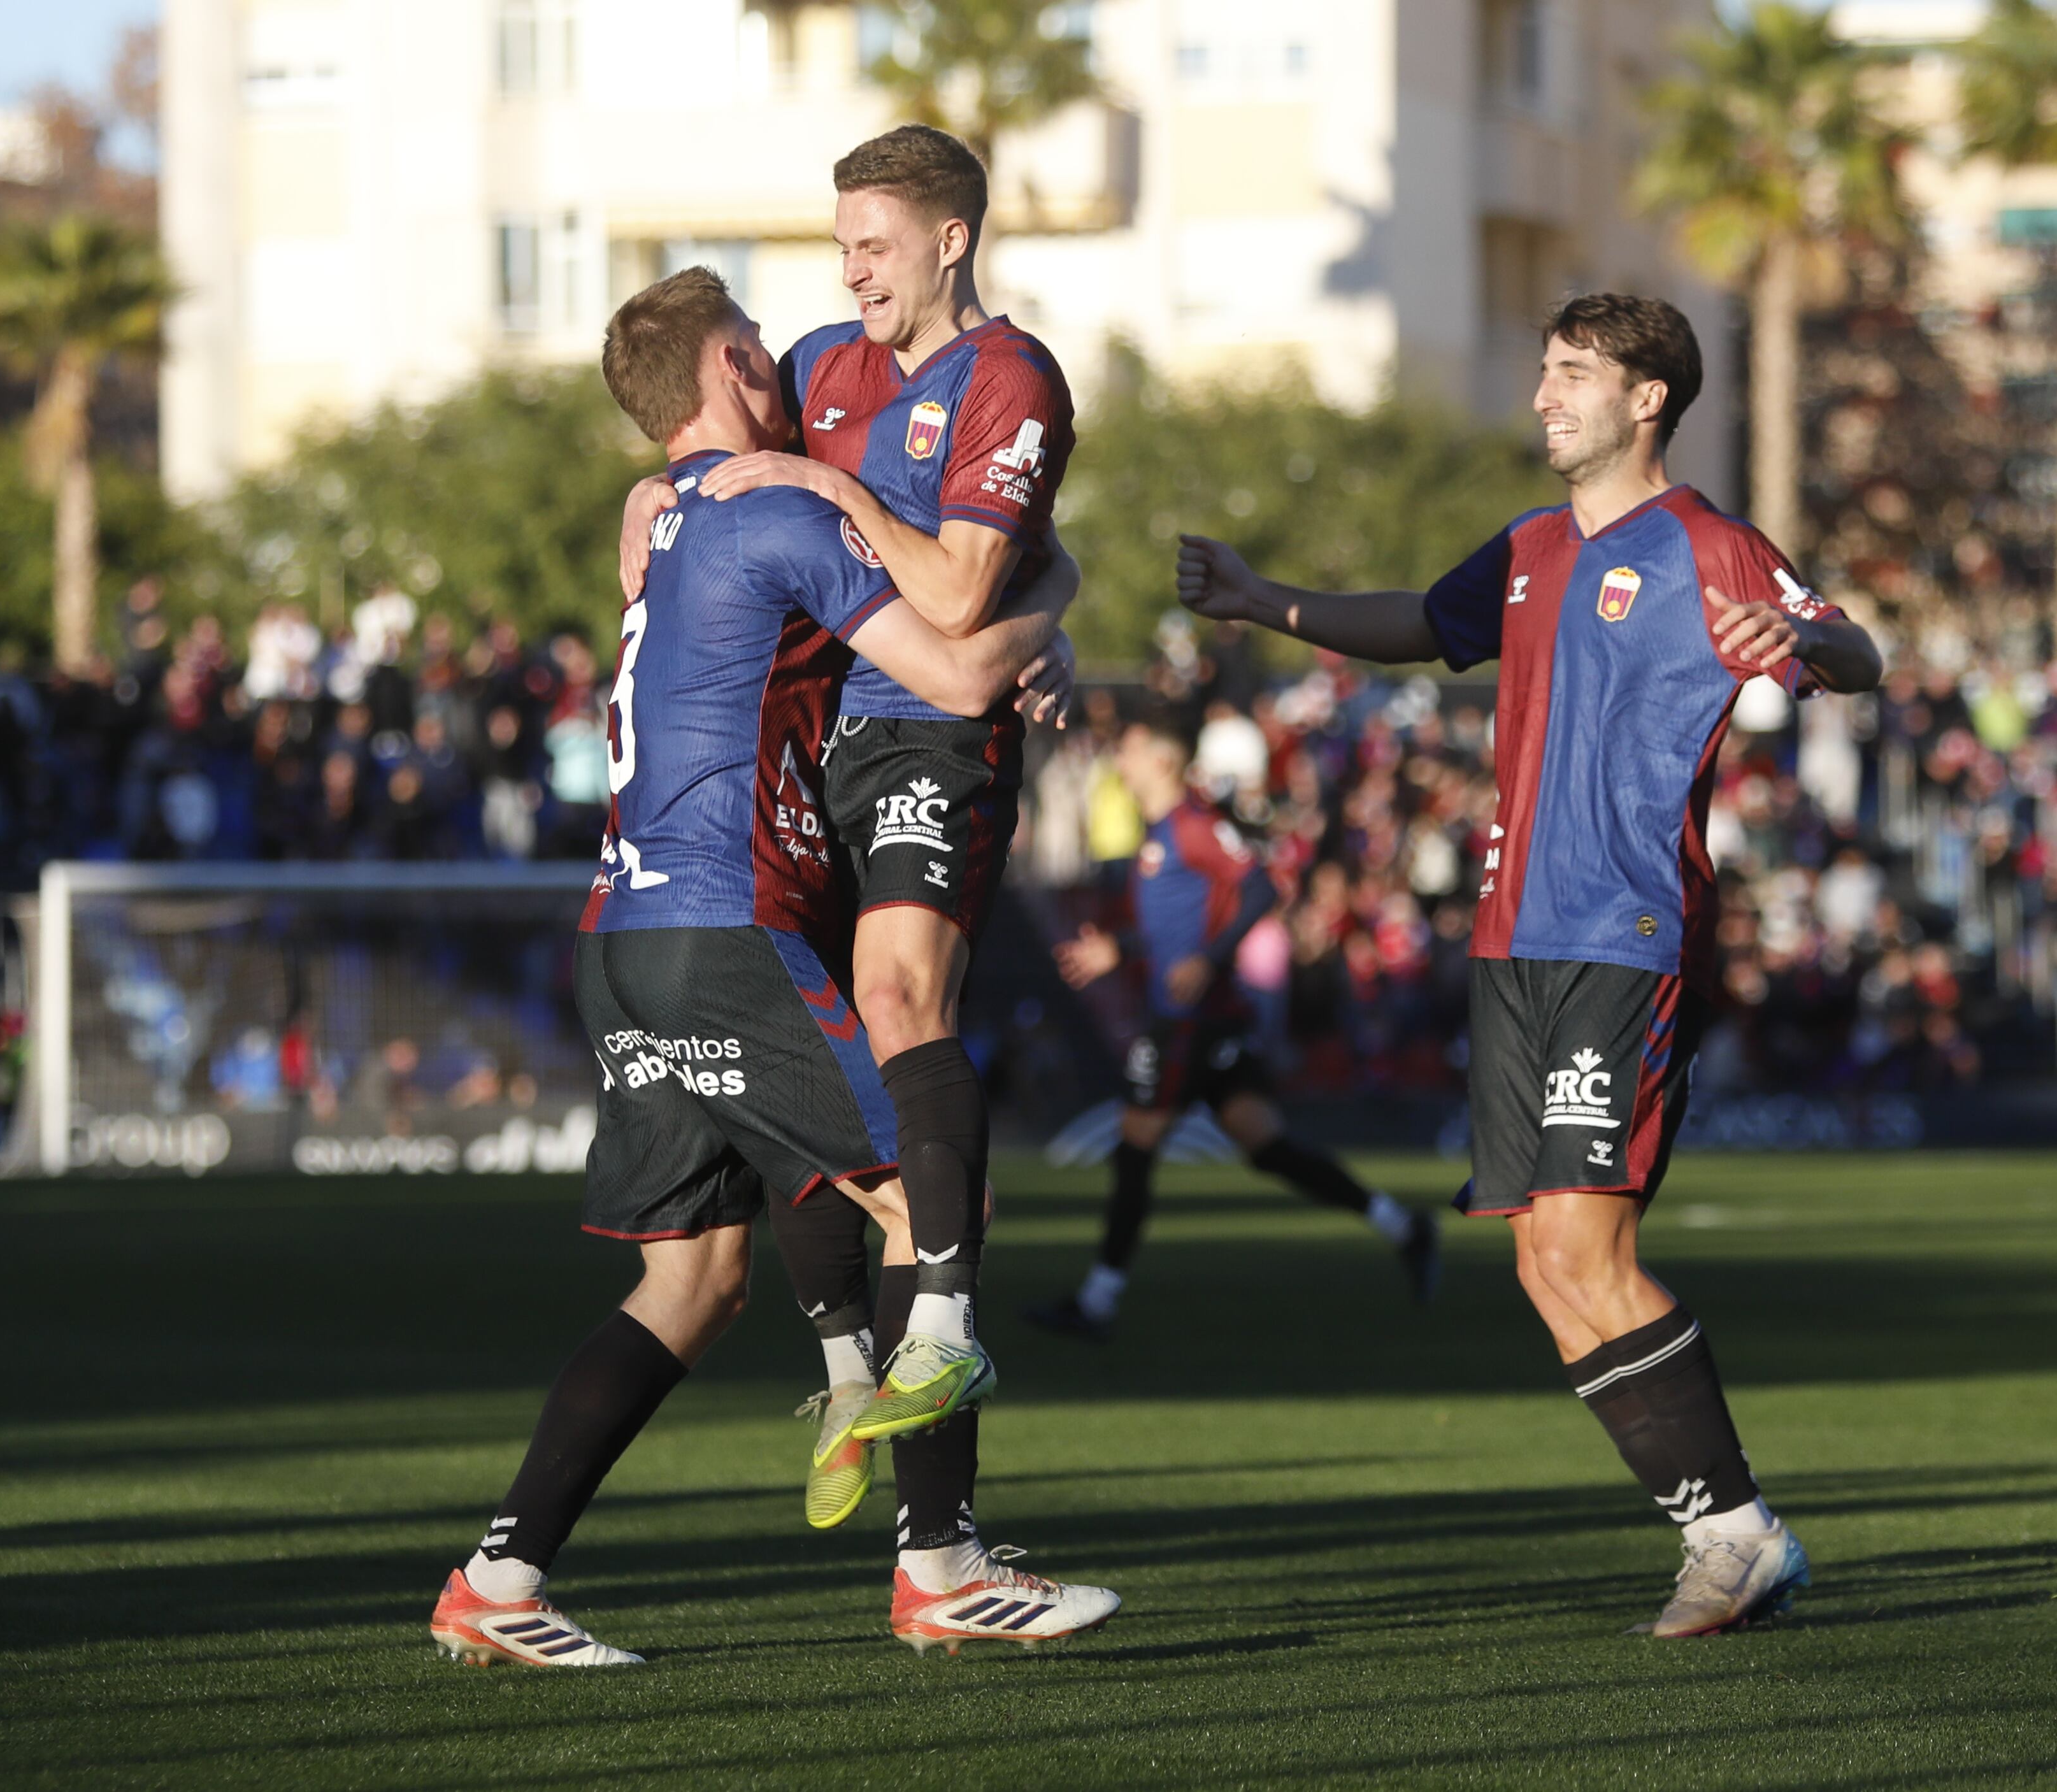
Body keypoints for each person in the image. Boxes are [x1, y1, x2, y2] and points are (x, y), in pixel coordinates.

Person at [429, 268, 1116, 1670]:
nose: (787, 367)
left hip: (617, 940)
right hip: (722, 923)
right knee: (936, 1194)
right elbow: (962, 672)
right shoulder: (782, 505)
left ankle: (498, 1578)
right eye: (760, 349)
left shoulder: (669, 514)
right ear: (734, 368)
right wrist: (1059, 585)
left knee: (688, 1284)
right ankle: (942, 1563)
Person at [1173, 293, 1884, 1638]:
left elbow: (1861, 650)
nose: (1545, 396)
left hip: (1622, 929)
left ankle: (1740, 1537)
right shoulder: (1529, 547)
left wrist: (1798, 643)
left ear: (1646, 400)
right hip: (1512, 937)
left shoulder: (1709, 543)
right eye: (1543, 370)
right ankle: (1725, 1535)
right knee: (1539, 1265)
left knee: (1582, 1240)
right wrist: (1268, 601)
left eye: (1572, 374)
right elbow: (1421, 621)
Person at [620, 124, 1078, 1572]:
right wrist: (646, 492)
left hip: (935, 729)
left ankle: (935, 1344)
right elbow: (714, 478)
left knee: (896, 1001)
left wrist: (845, 501)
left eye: (873, 243)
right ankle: (848, 1376)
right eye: (840, 246)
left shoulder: (1011, 379)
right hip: (811, 751)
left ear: (951, 239)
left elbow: (952, 589)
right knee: (824, 1104)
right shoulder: (821, 364)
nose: (849, 271)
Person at [1029, 714, 1441, 1340]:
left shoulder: (1194, 824)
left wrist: (1210, 959)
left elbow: (1257, 888)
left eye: (1135, 744)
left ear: (1164, 761)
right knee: (1264, 1143)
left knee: (1134, 1145)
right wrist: (1123, 946)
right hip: (1208, 1016)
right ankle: (1402, 1227)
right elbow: (1176, 931)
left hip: (1189, 1021)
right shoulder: (1163, 830)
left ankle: (1095, 1303)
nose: (1124, 753)